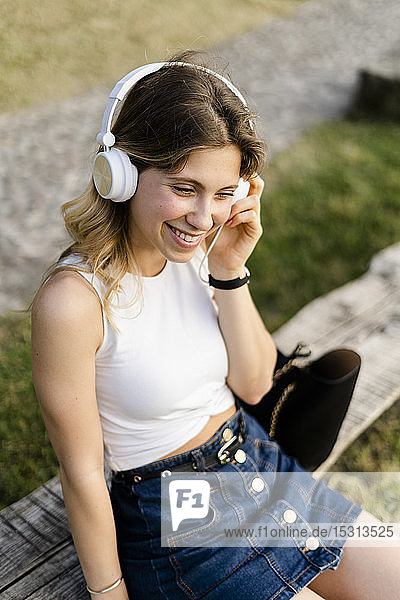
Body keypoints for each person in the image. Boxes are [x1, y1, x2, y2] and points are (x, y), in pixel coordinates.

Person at [30, 51, 400, 600]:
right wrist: (109, 594)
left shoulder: (200, 253)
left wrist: (229, 270)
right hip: (177, 513)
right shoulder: (74, 303)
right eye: (184, 188)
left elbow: (254, 384)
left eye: (224, 193)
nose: (203, 219)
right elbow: (81, 474)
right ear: (121, 172)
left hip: (256, 461)